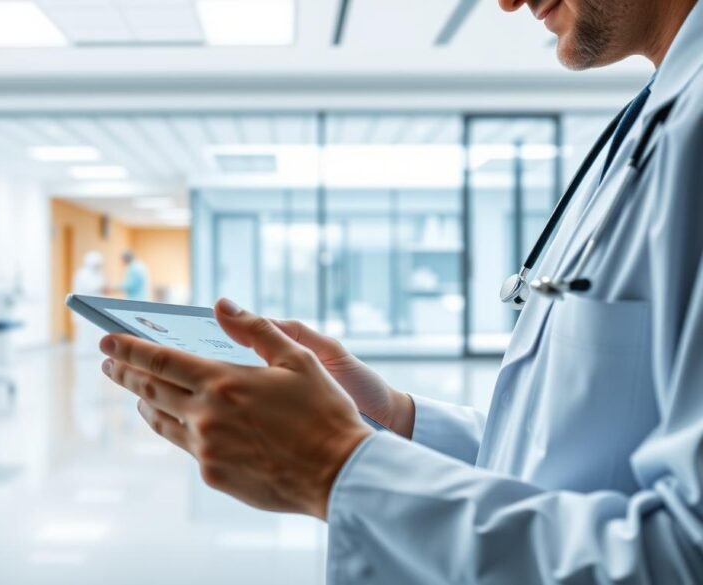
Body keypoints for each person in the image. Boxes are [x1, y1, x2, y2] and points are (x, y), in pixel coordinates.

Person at [96, 0, 703, 582]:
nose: (508, 2)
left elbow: (685, 556)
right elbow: (569, 455)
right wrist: (398, 418)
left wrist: (332, 466)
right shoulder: (656, 120)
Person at [72, 251, 106, 356]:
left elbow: (102, 287)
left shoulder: (98, 274)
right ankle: (84, 352)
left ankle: (94, 350)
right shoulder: (82, 274)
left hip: (95, 308)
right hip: (83, 307)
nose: (98, 267)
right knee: (84, 332)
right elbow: (91, 288)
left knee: (94, 330)